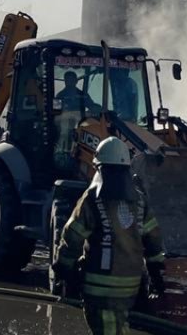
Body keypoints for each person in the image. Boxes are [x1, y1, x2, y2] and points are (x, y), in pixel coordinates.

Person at [53, 137, 166, 335]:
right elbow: (153, 239)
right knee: (118, 327)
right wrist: (156, 273)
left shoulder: (91, 199)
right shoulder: (139, 199)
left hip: (99, 289)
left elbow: (72, 237)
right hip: (131, 287)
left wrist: (64, 269)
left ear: (99, 167)